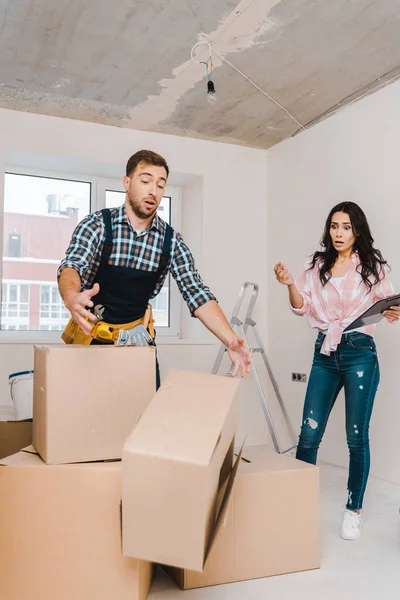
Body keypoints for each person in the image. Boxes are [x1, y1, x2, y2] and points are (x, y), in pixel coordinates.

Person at [58, 149, 251, 387]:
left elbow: (196, 293)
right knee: (86, 416)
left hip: (138, 344)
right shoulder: (97, 225)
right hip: (91, 341)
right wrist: (71, 296)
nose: (153, 191)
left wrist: (231, 340)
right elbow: (72, 265)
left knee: (143, 418)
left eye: (161, 185)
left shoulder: (171, 241)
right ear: (127, 183)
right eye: (146, 180)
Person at [274, 201, 399, 540]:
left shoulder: (372, 266)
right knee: (309, 434)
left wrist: (392, 312)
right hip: (325, 354)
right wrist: (289, 284)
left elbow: (387, 304)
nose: (338, 233)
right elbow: (302, 306)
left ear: (356, 230)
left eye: (345, 226)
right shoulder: (316, 265)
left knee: (356, 437)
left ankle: (353, 509)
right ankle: (296, 504)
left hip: (360, 352)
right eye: (334, 226)